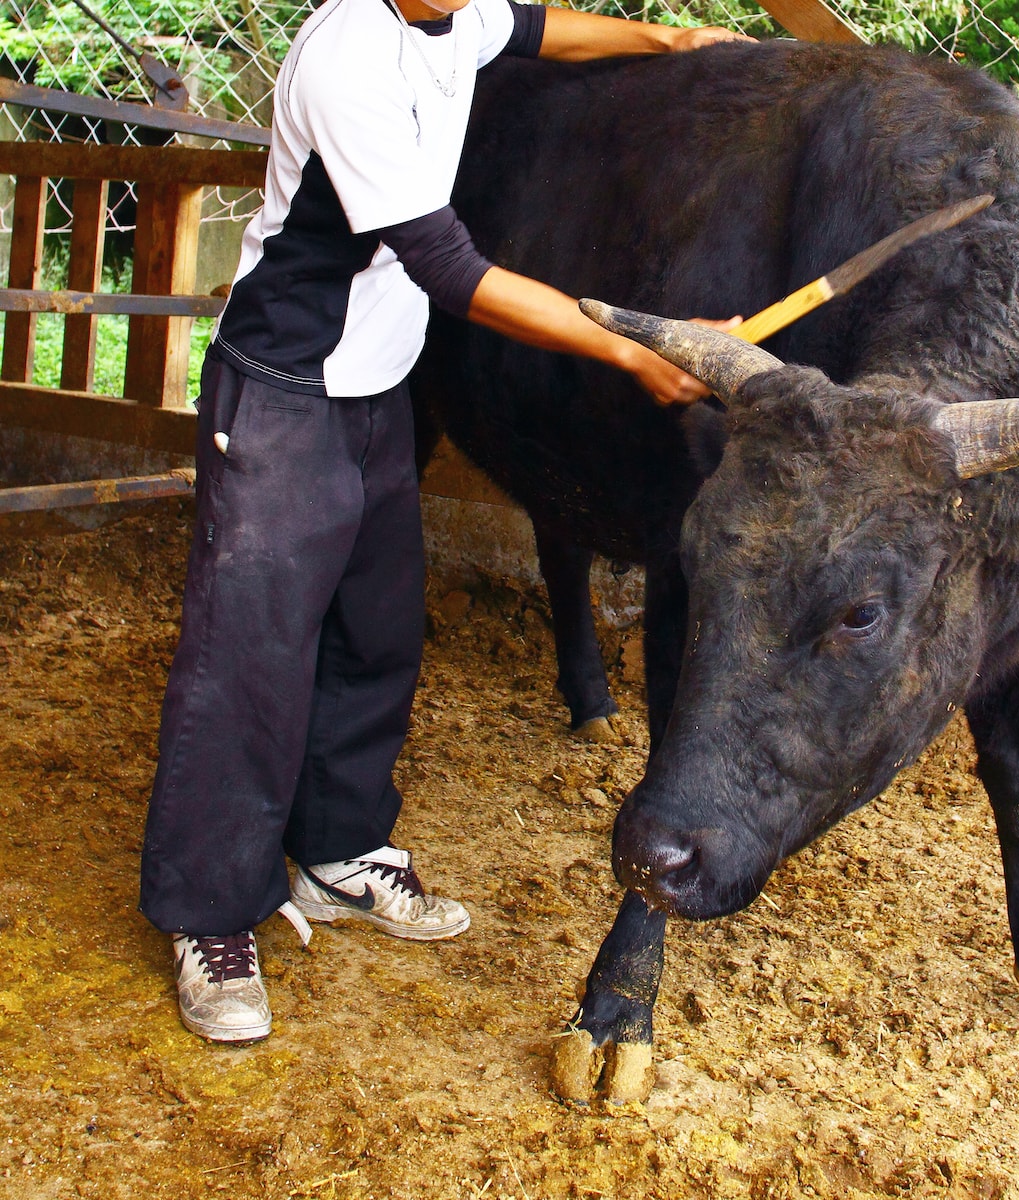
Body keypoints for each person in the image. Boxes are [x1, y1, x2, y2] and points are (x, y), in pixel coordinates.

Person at [139, 0, 748, 1044]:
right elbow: (450, 269)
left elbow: (538, 29)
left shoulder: (453, 17)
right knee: (251, 655)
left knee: (376, 635)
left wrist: (675, 42)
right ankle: (209, 911)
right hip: (286, 384)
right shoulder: (347, 55)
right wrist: (633, 347)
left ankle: (339, 851)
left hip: (376, 384)